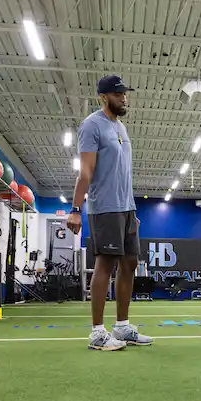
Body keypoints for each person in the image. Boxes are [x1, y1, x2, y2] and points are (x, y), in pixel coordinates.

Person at [68, 74, 154, 351]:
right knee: (105, 264)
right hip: (104, 208)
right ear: (104, 96)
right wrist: (75, 209)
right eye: (118, 94)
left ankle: (123, 327)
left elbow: (123, 173)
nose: (123, 98)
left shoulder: (121, 128)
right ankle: (96, 332)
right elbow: (86, 171)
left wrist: (132, 210)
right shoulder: (92, 125)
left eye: (125, 93)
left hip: (127, 208)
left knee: (129, 264)